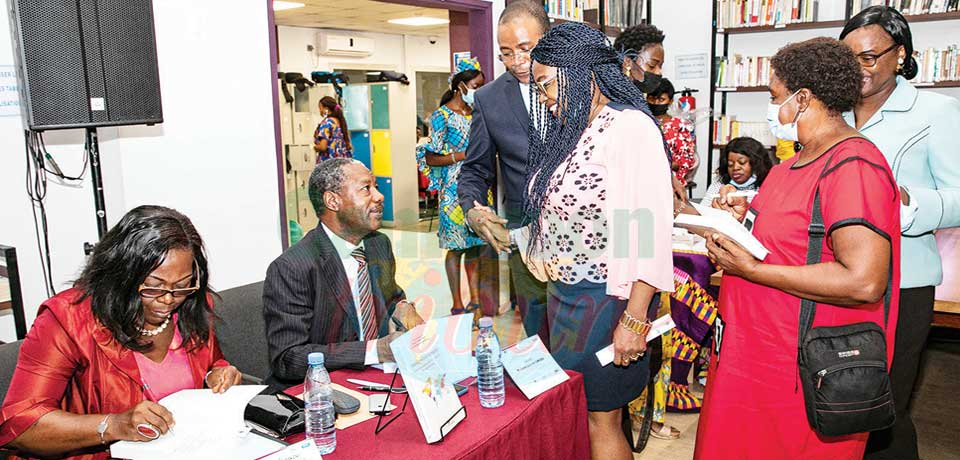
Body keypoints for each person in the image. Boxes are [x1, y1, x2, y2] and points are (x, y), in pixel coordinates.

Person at [694, 37, 901, 459]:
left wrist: (752, 271)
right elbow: (794, 239)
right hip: (750, 357)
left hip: (797, 372)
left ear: (803, 98)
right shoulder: (792, 163)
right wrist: (740, 220)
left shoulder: (854, 165)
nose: (772, 109)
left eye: (775, 97)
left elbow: (863, 279)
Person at [486, 22, 674, 460]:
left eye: (549, 85)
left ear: (584, 73)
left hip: (608, 299)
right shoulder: (572, 130)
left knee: (600, 416)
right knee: (574, 412)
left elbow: (644, 232)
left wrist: (634, 319)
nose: (545, 98)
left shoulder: (629, 129)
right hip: (564, 296)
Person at [0, 206, 241, 459]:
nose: (169, 299)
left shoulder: (192, 306)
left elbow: (210, 363)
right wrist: (113, 425)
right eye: (153, 287)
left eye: (182, 286)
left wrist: (219, 373)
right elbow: (21, 425)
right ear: (122, 275)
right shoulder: (67, 320)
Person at [839, 7, 960, 459]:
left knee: (884, 409)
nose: (859, 69)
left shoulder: (937, 111)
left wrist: (909, 204)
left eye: (869, 57)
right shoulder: (834, 112)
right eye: (848, 58)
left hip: (902, 283)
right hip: (834, 279)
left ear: (901, 53)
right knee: (838, 400)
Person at [263, 158, 423, 386]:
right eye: (366, 188)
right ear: (333, 201)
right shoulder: (293, 267)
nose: (379, 196)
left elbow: (391, 297)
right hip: (322, 389)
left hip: (377, 379)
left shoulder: (379, 244)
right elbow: (289, 358)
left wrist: (403, 308)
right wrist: (374, 351)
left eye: (375, 187)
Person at [458, 0, 550, 343]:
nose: (517, 62)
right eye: (506, 53)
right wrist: (473, 210)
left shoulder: (584, 86)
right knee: (538, 337)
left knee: (583, 342)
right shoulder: (489, 99)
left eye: (526, 50)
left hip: (583, 238)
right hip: (526, 236)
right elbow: (474, 170)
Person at [415, 59, 491, 316]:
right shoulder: (441, 116)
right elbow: (429, 157)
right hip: (452, 190)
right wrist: (460, 155)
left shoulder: (479, 112)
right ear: (461, 86)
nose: (479, 90)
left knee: (475, 245)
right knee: (456, 247)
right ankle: (457, 303)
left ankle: (476, 302)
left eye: (481, 86)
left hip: (480, 186)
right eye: (475, 85)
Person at [647, 77, 698, 185]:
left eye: (661, 99)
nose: (656, 103)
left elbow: (686, 162)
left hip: (671, 184)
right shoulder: (642, 121)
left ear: (670, 101)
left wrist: (661, 163)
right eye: (652, 98)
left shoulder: (679, 126)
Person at [701, 136, 773, 199]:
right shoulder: (719, 183)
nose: (735, 168)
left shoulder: (767, 187)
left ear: (756, 163)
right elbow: (703, 209)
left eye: (742, 163)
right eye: (730, 164)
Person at [313, 96, 353, 161]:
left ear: (326, 109)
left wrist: (314, 147)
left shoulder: (327, 123)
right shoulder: (340, 122)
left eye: (320, 108)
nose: (319, 111)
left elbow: (323, 147)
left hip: (329, 164)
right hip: (341, 162)